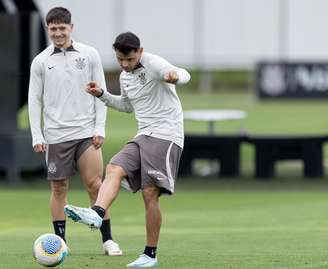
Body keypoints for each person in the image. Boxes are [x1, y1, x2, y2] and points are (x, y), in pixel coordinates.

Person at [64, 31, 191, 267]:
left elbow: (185, 74)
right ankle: (97, 213)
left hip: (166, 135)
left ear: (140, 53)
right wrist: (102, 95)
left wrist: (175, 76)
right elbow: (126, 106)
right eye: (120, 60)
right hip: (143, 134)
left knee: (150, 193)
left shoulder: (153, 63)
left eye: (130, 60)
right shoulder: (125, 77)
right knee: (114, 167)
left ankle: (149, 255)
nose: (124, 64)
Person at [28, 6, 122, 256]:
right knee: (59, 189)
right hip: (56, 135)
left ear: (71, 28)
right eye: (53, 28)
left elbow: (101, 92)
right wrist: (37, 135)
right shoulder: (41, 61)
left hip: (85, 133)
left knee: (95, 184)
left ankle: (108, 240)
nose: (58, 33)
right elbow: (34, 100)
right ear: (48, 29)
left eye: (62, 28)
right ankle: (60, 243)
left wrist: (99, 127)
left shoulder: (89, 54)